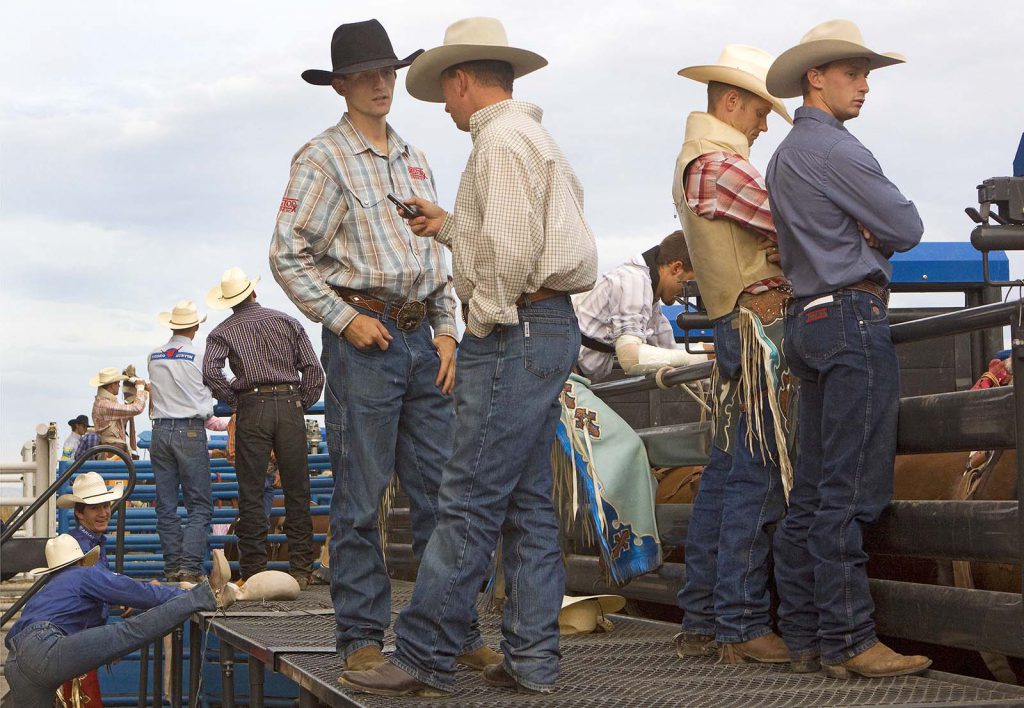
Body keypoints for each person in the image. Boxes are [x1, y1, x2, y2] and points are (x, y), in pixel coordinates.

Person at [340, 17, 597, 696]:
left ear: (460, 81)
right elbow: (517, 239)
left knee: (468, 497)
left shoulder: (499, 144)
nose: (445, 105)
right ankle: (533, 660)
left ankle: (422, 653)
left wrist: (478, 325)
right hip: (545, 323)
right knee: (525, 503)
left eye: (444, 92)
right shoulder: (528, 138)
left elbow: (509, 260)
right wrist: (450, 227)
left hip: (516, 330)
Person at [269, 19, 494, 673]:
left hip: (423, 334)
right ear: (339, 85)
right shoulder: (321, 158)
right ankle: (361, 640)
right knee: (361, 496)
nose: (379, 83)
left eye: (387, 71)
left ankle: (450, 629)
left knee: (442, 494)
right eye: (365, 73)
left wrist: (448, 328)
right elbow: (286, 252)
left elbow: (433, 251)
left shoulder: (414, 157)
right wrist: (342, 319)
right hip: (366, 337)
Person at [765, 19, 929, 678]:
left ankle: (805, 635)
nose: (864, 86)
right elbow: (909, 226)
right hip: (852, 318)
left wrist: (863, 233)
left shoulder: (783, 156)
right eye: (853, 73)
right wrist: (872, 239)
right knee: (850, 493)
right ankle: (851, 640)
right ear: (817, 76)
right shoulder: (838, 151)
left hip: (807, 319)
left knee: (808, 495)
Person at [670, 45, 795, 665]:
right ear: (732, 102)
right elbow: (792, 224)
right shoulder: (721, 165)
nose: (765, 123)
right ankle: (742, 622)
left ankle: (703, 616)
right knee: (758, 471)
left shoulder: (700, 162)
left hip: (732, 322)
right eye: (760, 110)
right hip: (757, 325)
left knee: (725, 473)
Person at [2, 535, 233, 707]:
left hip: (15, 663)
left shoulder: (47, 591)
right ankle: (205, 594)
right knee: (129, 632)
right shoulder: (82, 574)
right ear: (82, 561)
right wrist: (181, 594)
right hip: (44, 650)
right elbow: (134, 591)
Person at [202, 267, 324, 589]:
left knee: (252, 492)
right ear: (253, 293)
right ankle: (301, 569)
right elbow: (313, 369)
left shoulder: (222, 332)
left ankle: (254, 571)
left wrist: (237, 401)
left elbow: (211, 373)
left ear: (229, 302)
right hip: (289, 405)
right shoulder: (287, 321)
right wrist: (300, 403)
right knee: (297, 491)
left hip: (253, 407)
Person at [575, 230, 706, 382]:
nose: (685, 293)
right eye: (687, 283)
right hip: (564, 374)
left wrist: (706, 364)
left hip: (573, 374)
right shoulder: (633, 281)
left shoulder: (651, 299)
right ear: (676, 268)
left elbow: (669, 354)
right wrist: (699, 356)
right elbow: (630, 358)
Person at [148, 300, 217, 583]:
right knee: (199, 504)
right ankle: (189, 567)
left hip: (160, 430)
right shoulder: (201, 354)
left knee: (166, 504)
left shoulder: (153, 355)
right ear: (197, 325)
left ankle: (172, 566)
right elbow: (215, 384)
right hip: (190, 429)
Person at [57, 471, 125, 570]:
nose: (103, 514)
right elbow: (102, 580)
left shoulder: (87, 540)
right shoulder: (79, 547)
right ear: (79, 513)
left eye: (106, 506)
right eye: (94, 508)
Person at [90, 367, 149, 455]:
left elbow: (121, 419)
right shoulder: (104, 405)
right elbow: (137, 408)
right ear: (111, 385)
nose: (119, 385)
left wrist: (132, 399)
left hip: (112, 449)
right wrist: (140, 388)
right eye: (117, 383)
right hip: (113, 451)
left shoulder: (103, 402)